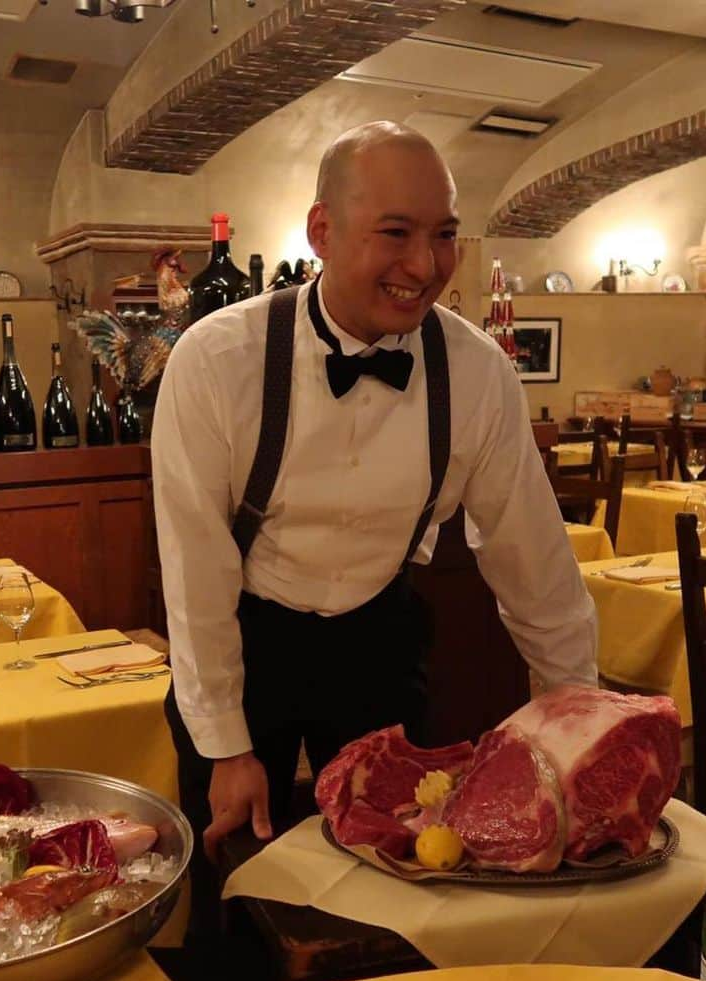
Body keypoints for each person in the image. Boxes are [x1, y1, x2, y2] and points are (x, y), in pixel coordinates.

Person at [151, 121, 597, 936]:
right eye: (395, 233)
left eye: (444, 235)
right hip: (243, 640)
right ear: (322, 231)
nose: (424, 266)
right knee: (224, 898)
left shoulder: (477, 374)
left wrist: (576, 721)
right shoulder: (218, 361)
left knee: (396, 896)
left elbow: (533, 559)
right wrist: (225, 746)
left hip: (380, 638)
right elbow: (195, 569)